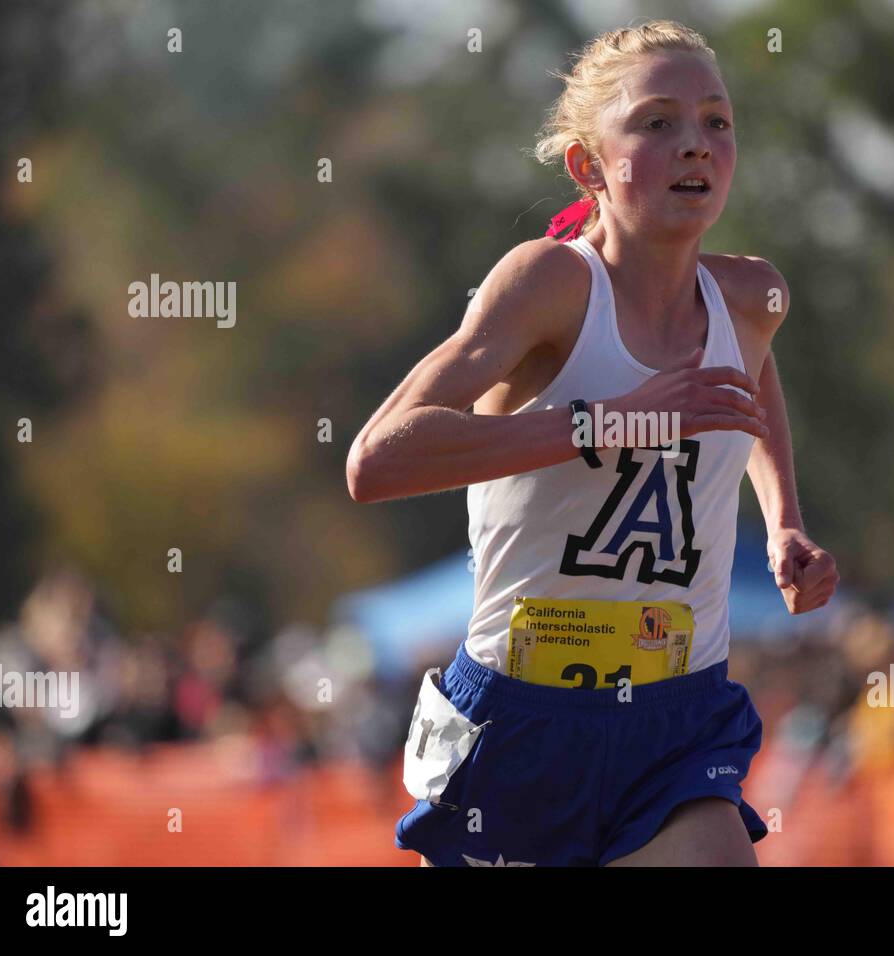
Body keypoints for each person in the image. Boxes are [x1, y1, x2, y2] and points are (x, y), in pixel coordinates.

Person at [347, 20, 838, 866]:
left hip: (676, 715)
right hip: (521, 717)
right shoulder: (549, 286)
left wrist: (785, 516)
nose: (695, 145)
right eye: (656, 123)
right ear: (588, 165)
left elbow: (746, 380)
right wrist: (605, 423)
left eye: (716, 122)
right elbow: (378, 459)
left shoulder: (754, 298)